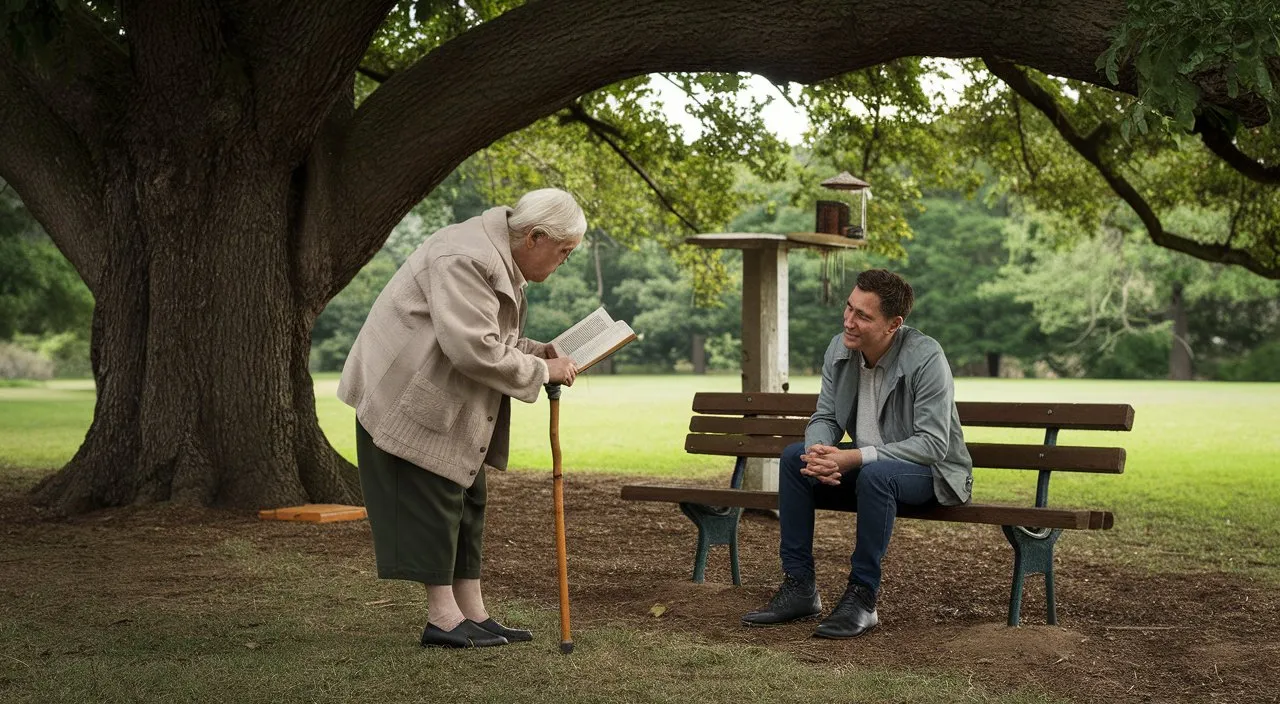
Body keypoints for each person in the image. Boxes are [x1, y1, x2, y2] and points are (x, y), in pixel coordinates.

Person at [338, 188, 584, 648]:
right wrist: (540, 369)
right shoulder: (466, 256)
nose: (562, 262)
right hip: (406, 394)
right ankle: (444, 619)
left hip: (444, 393)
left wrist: (536, 350)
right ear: (534, 237)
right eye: (564, 252)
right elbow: (471, 347)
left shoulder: (498, 257)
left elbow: (488, 334)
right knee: (434, 498)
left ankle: (472, 612)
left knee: (468, 500)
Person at [742, 269, 973, 638]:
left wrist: (853, 457)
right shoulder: (841, 347)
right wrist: (820, 453)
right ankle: (800, 586)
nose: (849, 321)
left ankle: (863, 598)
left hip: (931, 471)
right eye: (849, 308)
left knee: (876, 474)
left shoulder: (926, 357)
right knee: (793, 458)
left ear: (893, 324)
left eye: (863, 316)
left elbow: (932, 444)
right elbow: (827, 416)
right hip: (870, 468)